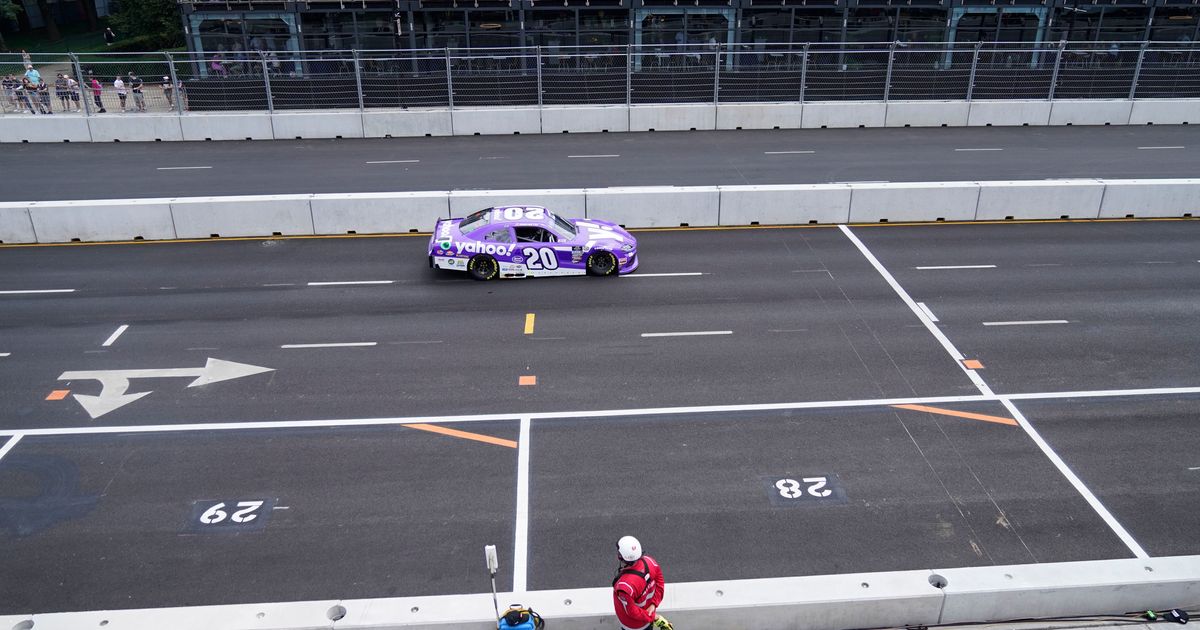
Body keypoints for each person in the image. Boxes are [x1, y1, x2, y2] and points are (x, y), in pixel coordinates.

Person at [612, 536, 670, 630]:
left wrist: (653, 617)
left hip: (632, 626)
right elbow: (660, 584)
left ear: (620, 557)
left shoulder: (624, 586)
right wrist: (653, 605)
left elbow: (632, 612)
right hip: (648, 618)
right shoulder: (650, 562)